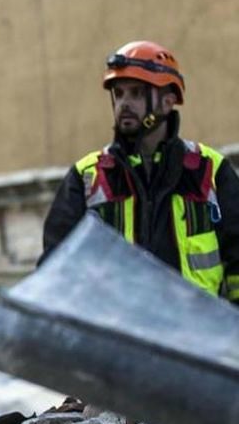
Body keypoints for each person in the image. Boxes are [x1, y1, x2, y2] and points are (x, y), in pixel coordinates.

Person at [41, 40, 239, 303]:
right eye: (119, 93)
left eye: (136, 93)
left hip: (198, 338)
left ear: (167, 102)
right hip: (119, 337)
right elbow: (56, 269)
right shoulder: (87, 177)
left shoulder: (210, 171)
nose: (124, 103)